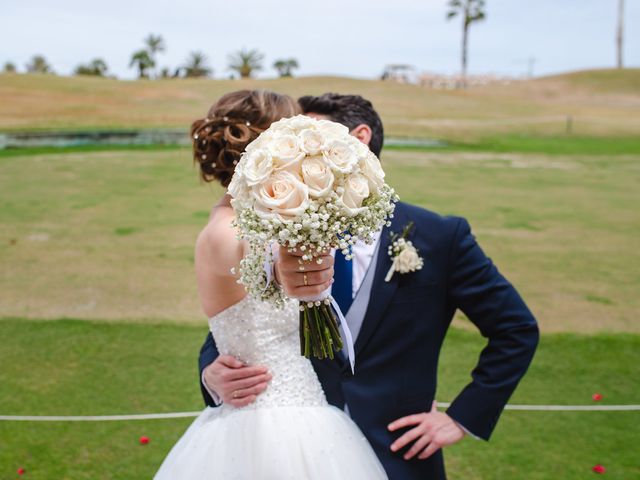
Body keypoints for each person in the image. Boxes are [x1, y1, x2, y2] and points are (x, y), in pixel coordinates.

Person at [199, 93, 540, 479]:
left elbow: (516, 328)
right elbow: (245, 313)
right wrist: (211, 372)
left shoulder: (440, 237)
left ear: (357, 140)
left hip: (399, 452)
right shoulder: (279, 230)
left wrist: (462, 417)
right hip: (288, 449)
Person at [154, 89, 388, 479]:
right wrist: (292, 273)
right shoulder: (228, 232)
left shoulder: (263, 223)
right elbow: (270, 271)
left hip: (303, 407)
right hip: (272, 424)